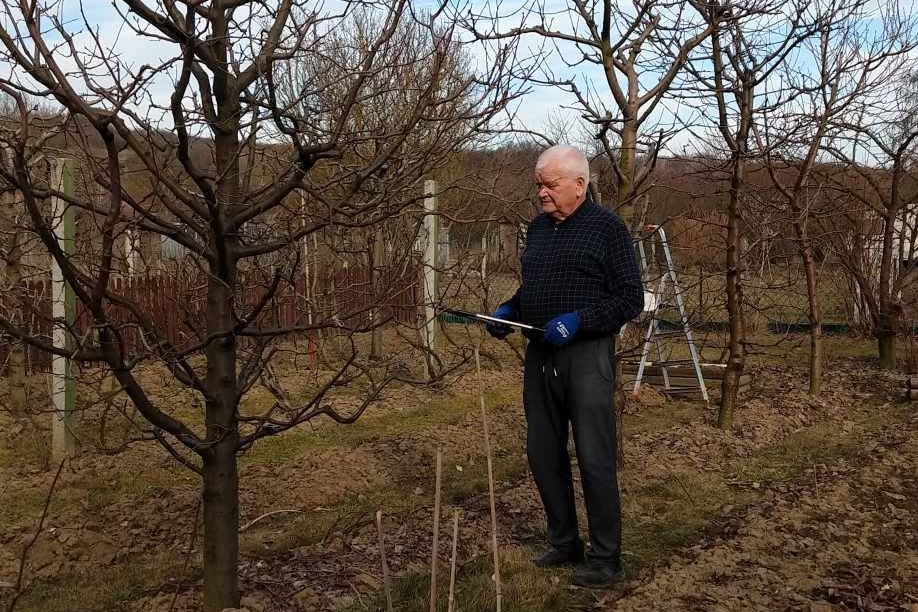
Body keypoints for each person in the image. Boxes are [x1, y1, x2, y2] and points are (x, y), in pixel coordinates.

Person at [486, 144, 643, 588]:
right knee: (542, 452)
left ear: (579, 184)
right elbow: (533, 288)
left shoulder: (608, 229)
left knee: (594, 457)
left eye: (549, 184)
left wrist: (580, 322)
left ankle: (605, 557)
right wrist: (509, 311)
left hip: (586, 355)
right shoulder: (537, 230)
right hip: (540, 354)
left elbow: (629, 297)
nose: (541, 193)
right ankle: (564, 542)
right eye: (538, 184)